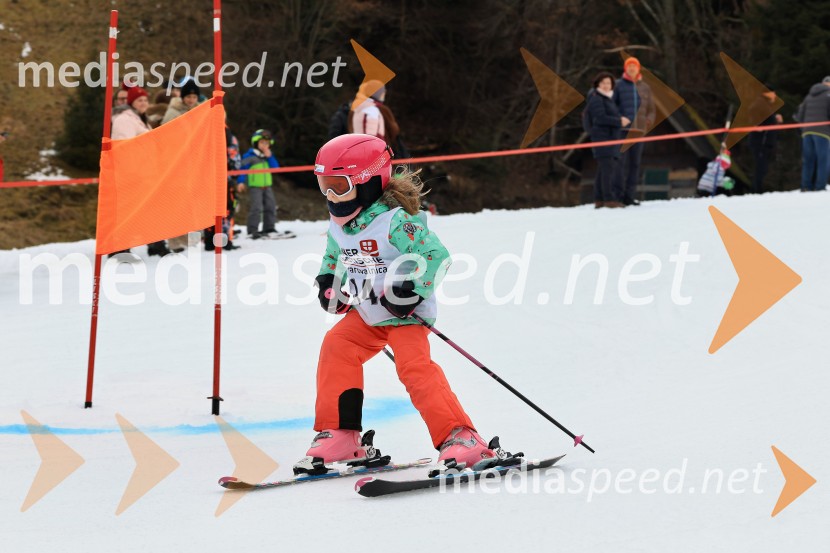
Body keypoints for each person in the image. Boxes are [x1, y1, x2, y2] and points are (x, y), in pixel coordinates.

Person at [292, 133, 508, 477]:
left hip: (404, 315)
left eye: (340, 186)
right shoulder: (339, 225)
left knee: (413, 368)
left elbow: (437, 257)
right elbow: (333, 259)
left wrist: (411, 290)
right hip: (369, 313)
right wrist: (328, 285)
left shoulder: (394, 222)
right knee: (337, 345)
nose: (332, 197)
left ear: (367, 183)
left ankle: (461, 438)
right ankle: (342, 433)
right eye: (325, 186)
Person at [111, 85, 171, 257]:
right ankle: (120, 250)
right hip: (132, 174)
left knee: (151, 210)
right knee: (129, 212)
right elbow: (125, 146)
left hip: (145, 172)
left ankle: (156, 244)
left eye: (145, 99)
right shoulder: (124, 119)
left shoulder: (139, 118)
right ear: (132, 102)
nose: (144, 103)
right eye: (139, 100)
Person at [161, 78, 203, 252]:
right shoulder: (173, 112)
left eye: (194, 97)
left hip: (193, 163)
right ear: (184, 97)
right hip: (176, 163)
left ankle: (191, 239)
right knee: (176, 202)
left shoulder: (200, 110)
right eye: (189, 96)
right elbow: (166, 135)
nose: (191, 100)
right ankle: (174, 241)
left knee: (192, 202)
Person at [613, 57, 655, 205]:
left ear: (638, 69)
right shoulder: (618, 85)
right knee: (620, 163)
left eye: (634, 66)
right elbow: (611, 106)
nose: (632, 68)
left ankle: (629, 197)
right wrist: (619, 118)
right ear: (625, 68)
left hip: (639, 131)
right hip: (623, 131)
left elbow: (652, 109)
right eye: (629, 66)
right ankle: (618, 196)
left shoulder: (645, 87)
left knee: (635, 164)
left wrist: (649, 120)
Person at [586, 72, 629, 208]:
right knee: (607, 169)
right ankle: (609, 199)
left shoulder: (607, 99)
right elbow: (599, 118)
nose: (606, 85)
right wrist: (619, 121)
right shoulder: (596, 98)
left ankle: (599, 199)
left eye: (608, 83)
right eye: (603, 83)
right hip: (603, 138)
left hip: (610, 138)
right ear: (598, 84)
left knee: (603, 169)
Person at [236, 129, 288, 239]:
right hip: (255, 186)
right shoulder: (249, 156)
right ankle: (252, 230)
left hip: (267, 186)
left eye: (267, 143)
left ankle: (269, 228)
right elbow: (242, 170)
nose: (265, 145)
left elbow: (275, 168)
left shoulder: (268, 157)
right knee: (256, 208)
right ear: (256, 143)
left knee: (271, 206)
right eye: (262, 143)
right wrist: (240, 182)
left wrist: (269, 156)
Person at [348, 80, 407, 156]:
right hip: (371, 152)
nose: (384, 92)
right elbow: (371, 137)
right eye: (382, 91)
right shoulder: (371, 109)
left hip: (360, 149)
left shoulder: (361, 107)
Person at [795, 76, 830, 191]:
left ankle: (806, 186)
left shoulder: (808, 96)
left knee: (808, 160)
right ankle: (820, 186)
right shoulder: (828, 95)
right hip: (822, 132)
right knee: (823, 160)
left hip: (806, 131)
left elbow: (800, 116)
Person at [747, 85, 783, 194]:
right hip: (760, 142)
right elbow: (752, 114)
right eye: (774, 93)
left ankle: (757, 190)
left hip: (765, 142)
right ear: (767, 93)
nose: (775, 96)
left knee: (763, 168)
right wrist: (754, 125)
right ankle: (756, 191)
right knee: (761, 168)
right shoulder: (760, 103)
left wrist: (776, 120)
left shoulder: (766, 105)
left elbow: (768, 122)